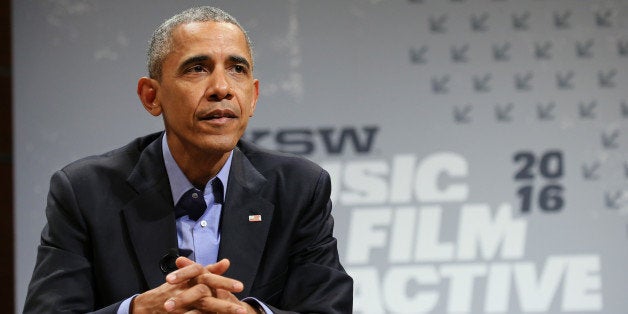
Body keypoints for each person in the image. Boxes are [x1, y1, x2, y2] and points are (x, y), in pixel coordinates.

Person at [24, 6, 353, 314]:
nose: (221, 88)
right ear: (152, 96)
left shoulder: (299, 188)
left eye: (237, 69)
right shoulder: (86, 192)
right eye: (198, 68)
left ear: (253, 97)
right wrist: (136, 311)